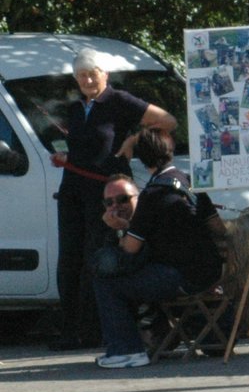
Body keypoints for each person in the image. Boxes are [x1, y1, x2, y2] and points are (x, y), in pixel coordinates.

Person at [50, 50, 178, 350]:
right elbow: (88, 147)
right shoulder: (76, 108)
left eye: (93, 73)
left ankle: (95, 330)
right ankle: (70, 331)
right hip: (72, 190)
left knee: (98, 256)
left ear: (104, 74)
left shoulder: (118, 100)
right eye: (82, 75)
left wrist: (133, 141)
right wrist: (66, 157)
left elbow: (168, 121)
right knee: (69, 259)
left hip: (105, 195)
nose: (88, 79)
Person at [92, 148, 223, 369]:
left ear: (138, 195)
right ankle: (143, 342)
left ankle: (127, 351)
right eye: (109, 203)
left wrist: (123, 232)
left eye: (123, 199)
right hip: (185, 275)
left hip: (182, 277)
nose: (116, 207)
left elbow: (130, 258)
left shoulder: (150, 205)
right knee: (116, 279)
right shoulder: (158, 198)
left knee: (108, 284)